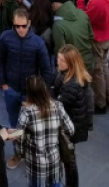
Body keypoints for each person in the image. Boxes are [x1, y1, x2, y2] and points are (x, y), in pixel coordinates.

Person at [0, 7, 53, 169]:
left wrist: (38, 95)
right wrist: (4, 83)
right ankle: (18, 154)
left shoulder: (38, 43)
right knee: (14, 124)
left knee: (32, 126)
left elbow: (47, 71)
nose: (20, 29)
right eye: (17, 26)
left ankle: (33, 153)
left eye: (23, 26)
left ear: (29, 23)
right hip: (11, 90)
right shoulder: (6, 38)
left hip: (30, 94)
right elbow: (0, 59)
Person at [16, 75, 75, 187]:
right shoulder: (58, 106)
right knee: (55, 184)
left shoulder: (26, 112)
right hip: (54, 159)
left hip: (35, 164)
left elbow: (19, 140)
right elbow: (70, 129)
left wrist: (21, 153)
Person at [53, 44, 91, 187]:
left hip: (71, 127)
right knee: (69, 157)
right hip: (73, 122)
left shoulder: (72, 84)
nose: (58, 62)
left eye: (62, 60)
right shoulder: (66, 73)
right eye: (58, 58)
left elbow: (58, 104)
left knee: (69, 160)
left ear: (70, 63)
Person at [75, 0, 109, 113]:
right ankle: (106, 95)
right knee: (103, 67)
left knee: (97, 71)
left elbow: (86, 20)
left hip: (97, 39)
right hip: (106, 35)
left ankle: (100, 103)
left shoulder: (95, 2)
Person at [50, 0, 94, 75]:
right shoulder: (82, 13)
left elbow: (60, 51)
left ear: (54, 4)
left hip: (73, 67)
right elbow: (91, 37)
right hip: (88, 61)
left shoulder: (58, 26)